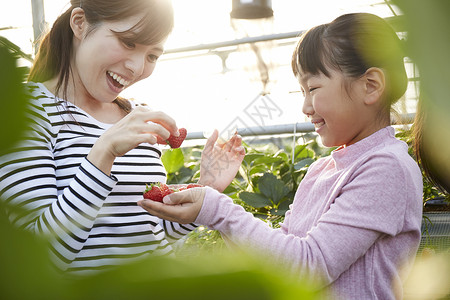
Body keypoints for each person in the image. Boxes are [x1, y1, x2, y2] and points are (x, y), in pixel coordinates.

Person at [138, 13, 424, 299]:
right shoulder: (321, 170)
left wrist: (217, 209)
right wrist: (208, 194)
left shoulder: (387, 167)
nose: (305, 106)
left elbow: (308, 267)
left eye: (313, 88)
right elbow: (277, 263)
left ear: (370, 85)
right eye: (302, 91)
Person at [0, 0, 245, 275]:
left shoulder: (133, 114)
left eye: (152, 55)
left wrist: (206, 187)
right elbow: (38, 260)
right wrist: (103, 152)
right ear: (80, 23)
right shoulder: (24, 110)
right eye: (128, 42)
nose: (137, 67)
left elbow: (150, 230)